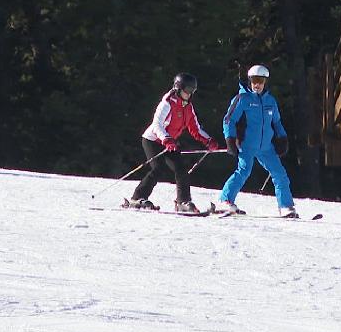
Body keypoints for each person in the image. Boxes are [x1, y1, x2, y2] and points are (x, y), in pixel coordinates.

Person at [125, 72, 220, 213]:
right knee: (158, 168)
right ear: (178, 88)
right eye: (187, 90)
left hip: (170, 142)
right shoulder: (166, 104)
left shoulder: (188, 107)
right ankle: (137, 198)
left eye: (192, 91)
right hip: (153, 140)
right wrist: (166, 139)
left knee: (181, 169)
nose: (189, 94)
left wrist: (208, 140)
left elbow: (195, 128)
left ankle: (183, 202)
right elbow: (157, 124)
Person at [217, 64, 296, 217]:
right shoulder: (242, 98)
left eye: (260, 80)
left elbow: (277, 122)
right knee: (243, 171)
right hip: (247, 144)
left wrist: (282, 138)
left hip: (266, 146)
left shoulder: (270, 100)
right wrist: (230, 139)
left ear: (265, 81)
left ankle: (286, 206)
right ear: (249, 80)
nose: (257, 84)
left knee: (280, 174)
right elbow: (229, 120)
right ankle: (225, 200)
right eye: (254, 80)